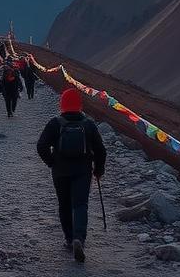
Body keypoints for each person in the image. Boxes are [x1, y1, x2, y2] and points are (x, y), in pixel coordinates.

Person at [36, 88, 106, 263]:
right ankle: (79, 238)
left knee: (64, 204)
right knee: (80, 204)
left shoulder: (55, 123)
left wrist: (51, 162)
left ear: (62, 104)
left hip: (60, 171)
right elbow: (100, 150)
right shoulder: (88, 124)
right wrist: (98, 170)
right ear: (79, 104)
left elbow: (41, 146)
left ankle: (68, 238)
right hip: (82, 171)